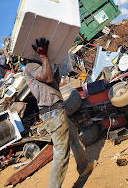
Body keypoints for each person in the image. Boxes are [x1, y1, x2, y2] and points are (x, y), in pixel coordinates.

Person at [24, 38, 95, 188]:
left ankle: (84, 168)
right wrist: (44, 56)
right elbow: (48, 78)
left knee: (73, 136)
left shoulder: (39, 66)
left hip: (56, 112)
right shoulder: (31, 66)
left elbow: (53, 79)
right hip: (53, 113)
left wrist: (53, 61)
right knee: (61, 153)